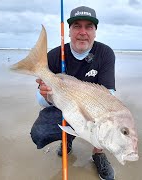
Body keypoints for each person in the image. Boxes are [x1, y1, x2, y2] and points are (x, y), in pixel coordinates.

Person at [30, 6, 116, 180]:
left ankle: (98, 153)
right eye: (77, 26)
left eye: (89, 26)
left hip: (93, 110)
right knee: (39, 133)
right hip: (62, 106)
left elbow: (110, 96)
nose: (83, 32)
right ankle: (67, 139)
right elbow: (40, 100)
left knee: (110, 124)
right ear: (69, 31)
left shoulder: (105, 53)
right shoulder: (54, 55)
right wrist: (46, 94)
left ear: (95, 32)